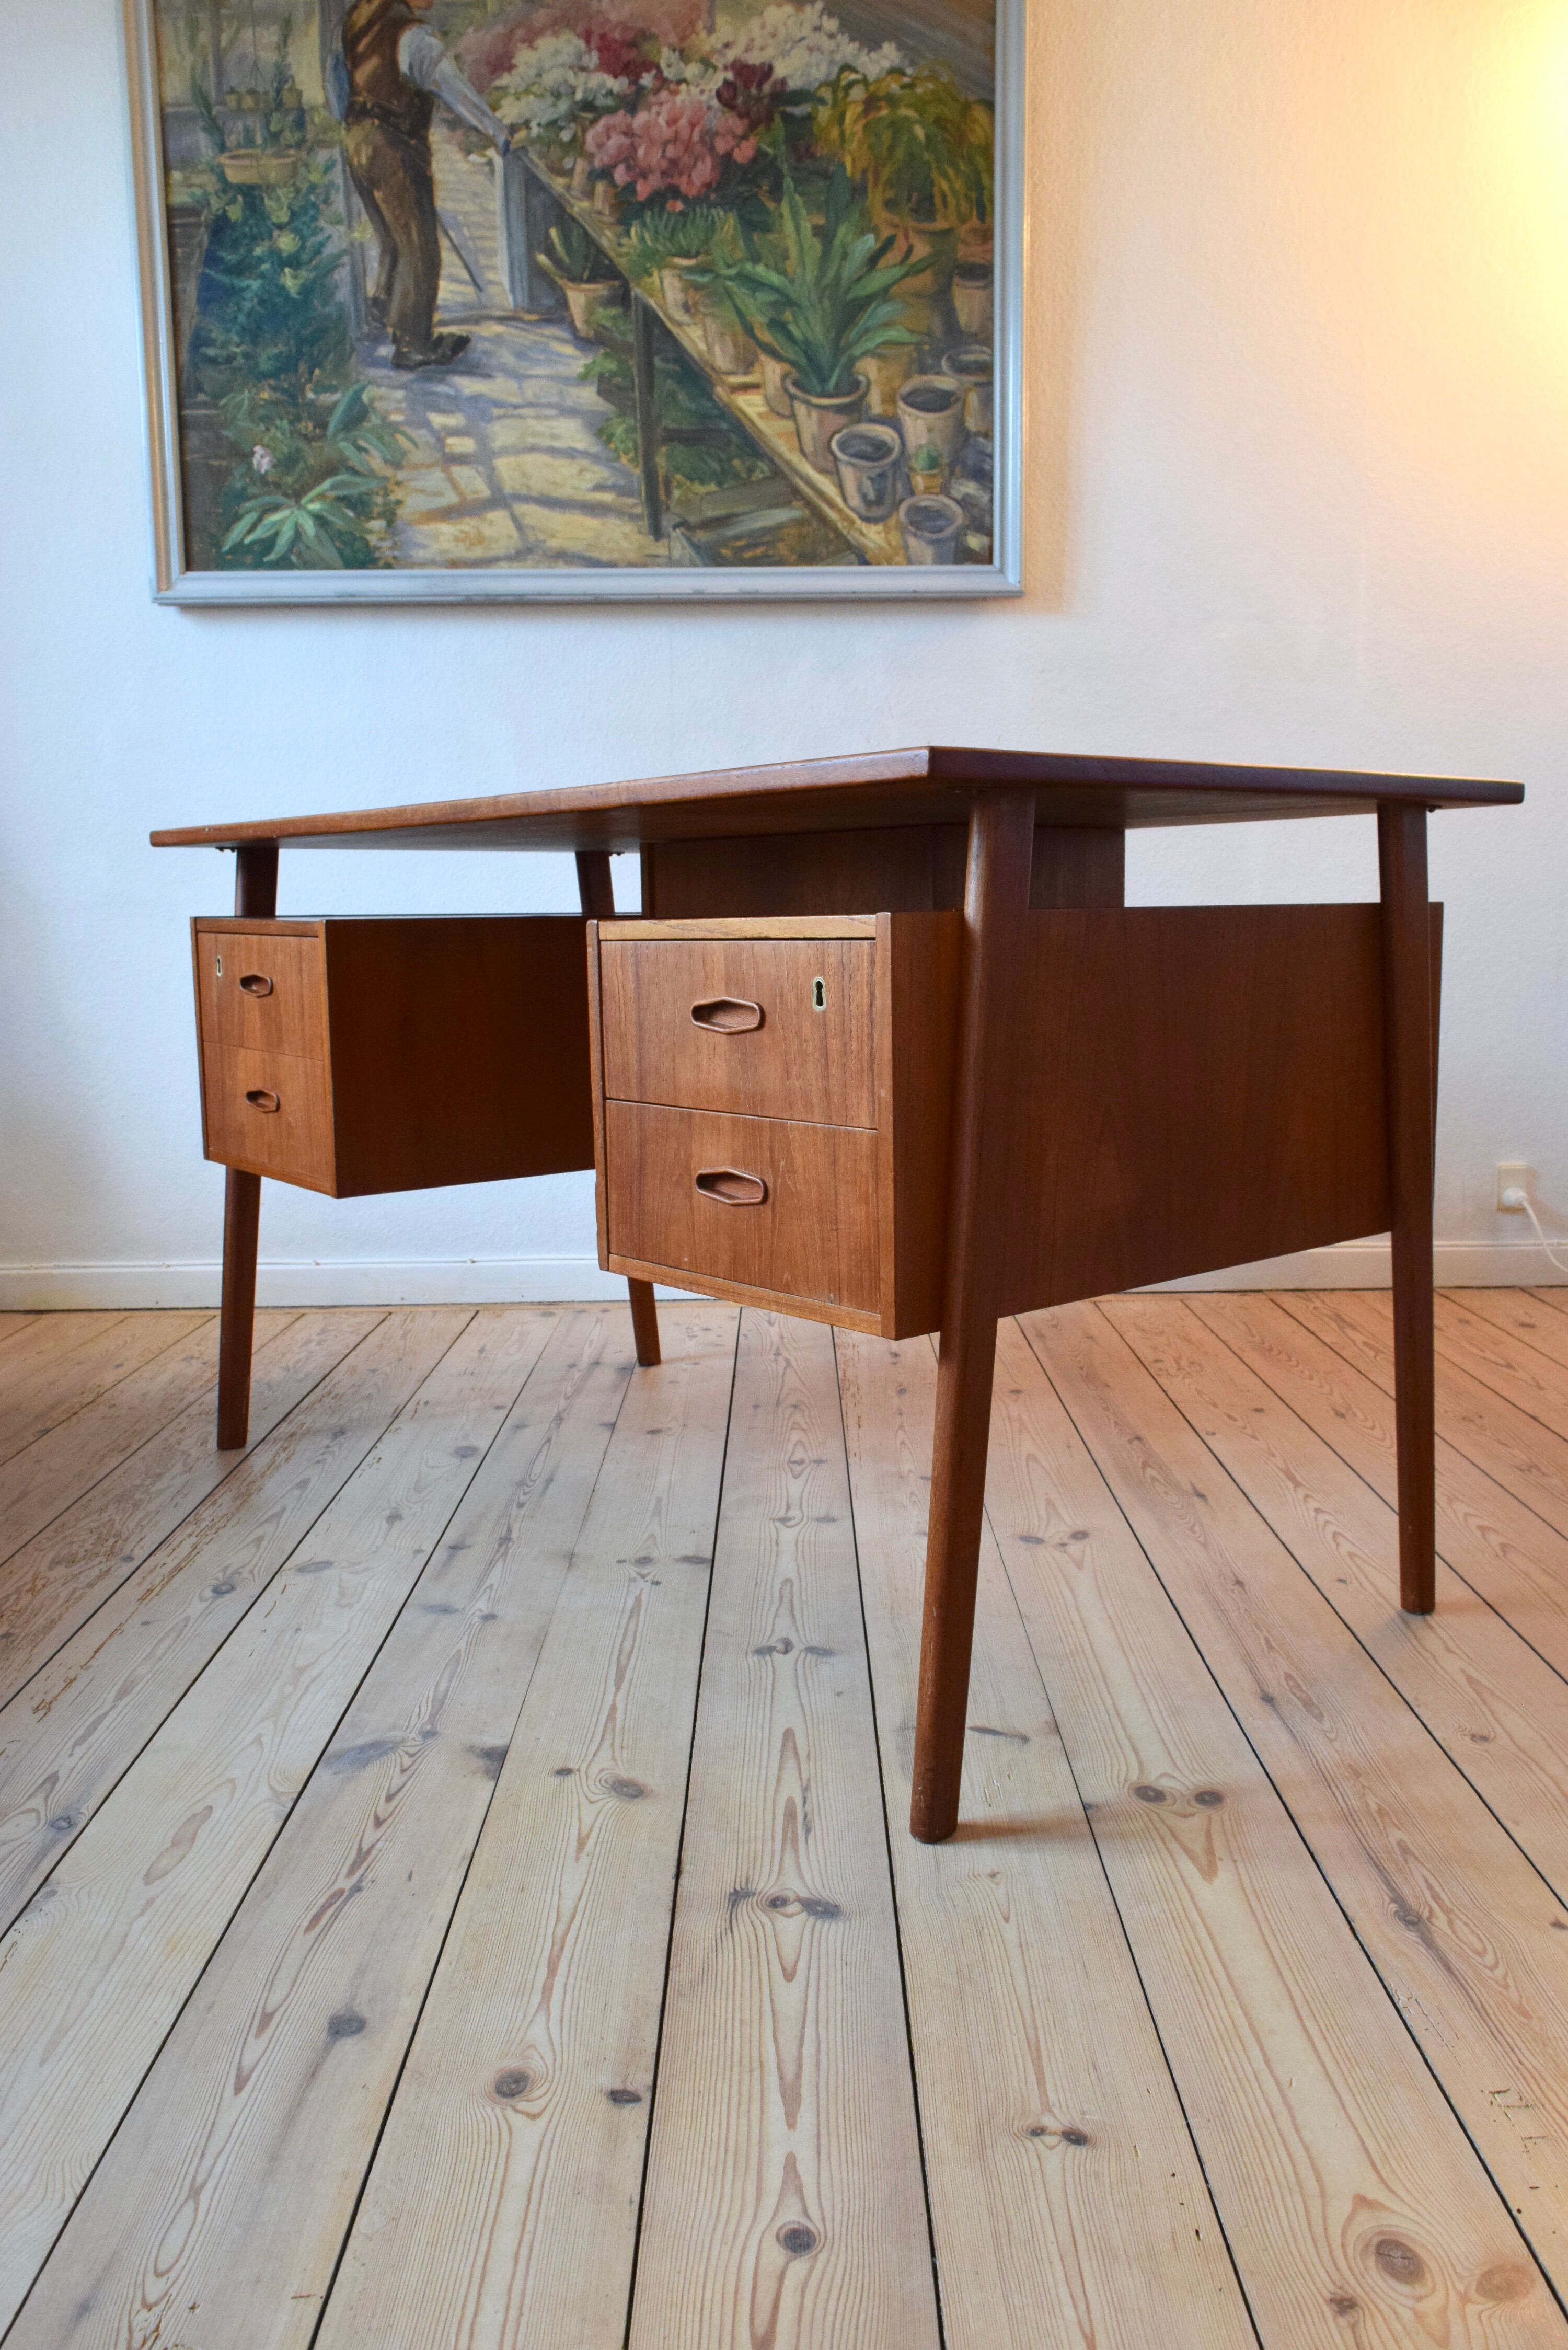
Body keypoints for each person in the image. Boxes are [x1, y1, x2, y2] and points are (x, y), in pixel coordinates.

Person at [339, 0, 510, 370]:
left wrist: (350, 124)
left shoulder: (360, 18)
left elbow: (334, 76)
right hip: (394, 147)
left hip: (358, 139)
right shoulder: (414, 37)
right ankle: (412, 342)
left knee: (390, 238)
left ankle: (385, 308)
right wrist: (497, 132)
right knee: (419, 246)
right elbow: (454, 90)